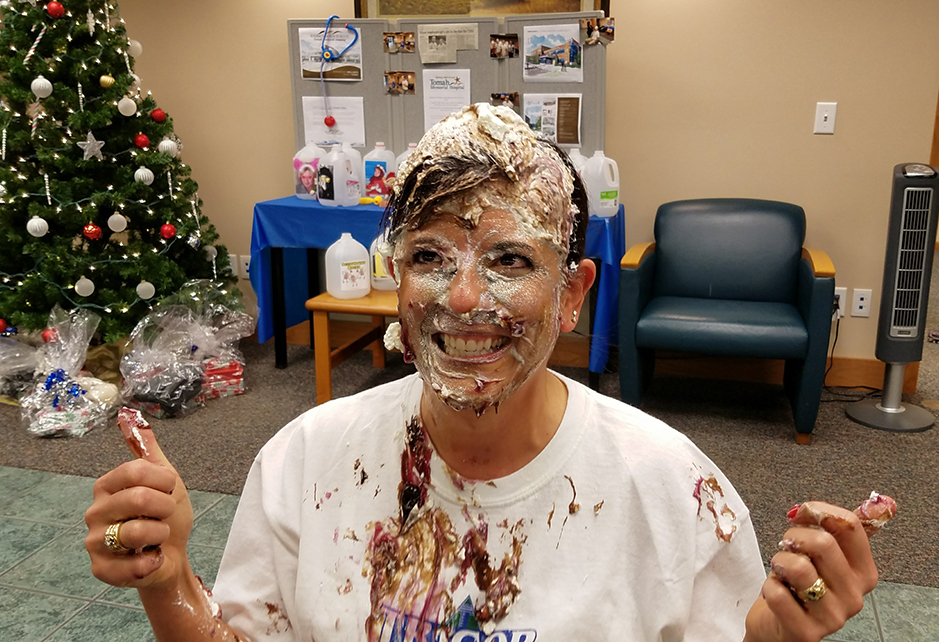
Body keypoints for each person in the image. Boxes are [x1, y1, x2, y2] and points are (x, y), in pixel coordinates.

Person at [86, 103, 880, 641]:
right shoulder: (304, 463)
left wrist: (776, 639)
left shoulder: (671, 493)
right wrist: (169, 579)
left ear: (572, 295)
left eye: (509, 259)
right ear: (396, 277)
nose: (465, 298)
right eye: (430, 256)